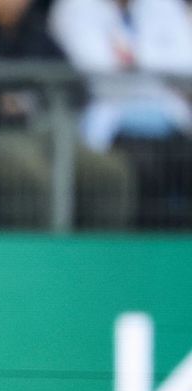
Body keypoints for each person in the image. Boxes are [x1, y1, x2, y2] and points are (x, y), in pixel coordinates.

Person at [0, 0, 135, 229]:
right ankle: (37, 261)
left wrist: (28, 101)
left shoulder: (37, 32)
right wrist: (2, 101)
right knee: (33, 175)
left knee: (109, 172)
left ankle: (98, 261)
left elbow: (74, 85)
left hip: (43, 131)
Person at [49, 0, 192, 228]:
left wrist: (136, 60)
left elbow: (186, 67)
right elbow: (99, 76)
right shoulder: (74, 8)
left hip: (172, 120)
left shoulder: (165, 5)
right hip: (110, 125)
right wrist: (158, 73)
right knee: (140, 168)